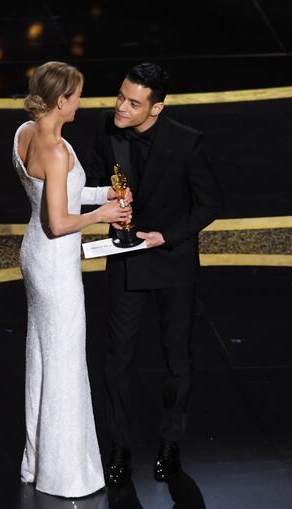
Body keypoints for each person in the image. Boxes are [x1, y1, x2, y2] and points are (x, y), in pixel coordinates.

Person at [86, 62, 223, 485]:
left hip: (172, 260)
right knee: (117, 360)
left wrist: (166, 235)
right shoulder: (105, 129)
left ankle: (170, 443)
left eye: (133, 102)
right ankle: (119, 447)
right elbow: (100, 180)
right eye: (120, 96)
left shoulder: (187, 143)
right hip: (126, 257)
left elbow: (209, 204)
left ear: (157, 108)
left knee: (176, 360)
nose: (121, 107)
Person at [12, 61, 133, 498]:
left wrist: (104, 194)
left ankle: (38, 460)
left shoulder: (25, 133)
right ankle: (65, 474)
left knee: (44, 358)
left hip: (34, 256)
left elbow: (53, 194)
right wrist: (103, 215)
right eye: (77, 96)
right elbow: (59, 221)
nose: (81, 103)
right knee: (63, 364)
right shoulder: (57, 149)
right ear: (62, 100)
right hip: (56, 265)